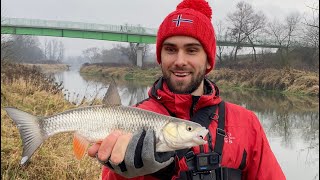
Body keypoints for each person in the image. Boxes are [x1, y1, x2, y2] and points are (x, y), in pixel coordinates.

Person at [88, 0, 286, 179]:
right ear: (160, 56)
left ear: (208, 59)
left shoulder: (247, 123)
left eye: (191, 50)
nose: (180, 61)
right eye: (171, 49)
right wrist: (122, 174)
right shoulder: (129, 119)